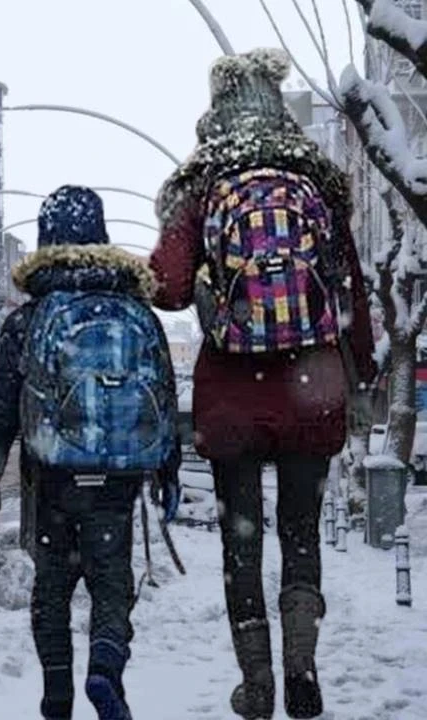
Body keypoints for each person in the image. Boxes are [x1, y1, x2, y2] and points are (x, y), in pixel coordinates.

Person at [149, 48, 377, 720]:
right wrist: (358, 376)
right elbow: (352, 297)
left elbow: (166, 283)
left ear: (216, 109)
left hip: (233, 399)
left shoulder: (205, 186)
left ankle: (258, 684)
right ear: (277, 107)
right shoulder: (316, 188)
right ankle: (303, 664)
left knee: (241, 541)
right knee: (300, 531)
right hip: (312, 390)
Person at [0, 186, 180, 720]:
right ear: (101, 237)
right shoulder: (135, 309)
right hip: (116, 479)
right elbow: (162, 393)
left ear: (46, 241)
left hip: (53, 480)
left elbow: (1, 410)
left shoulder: (28, 319)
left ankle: (58, 698)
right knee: (112, 583)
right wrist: (169, 471)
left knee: (52, 593)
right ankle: (105, 668)